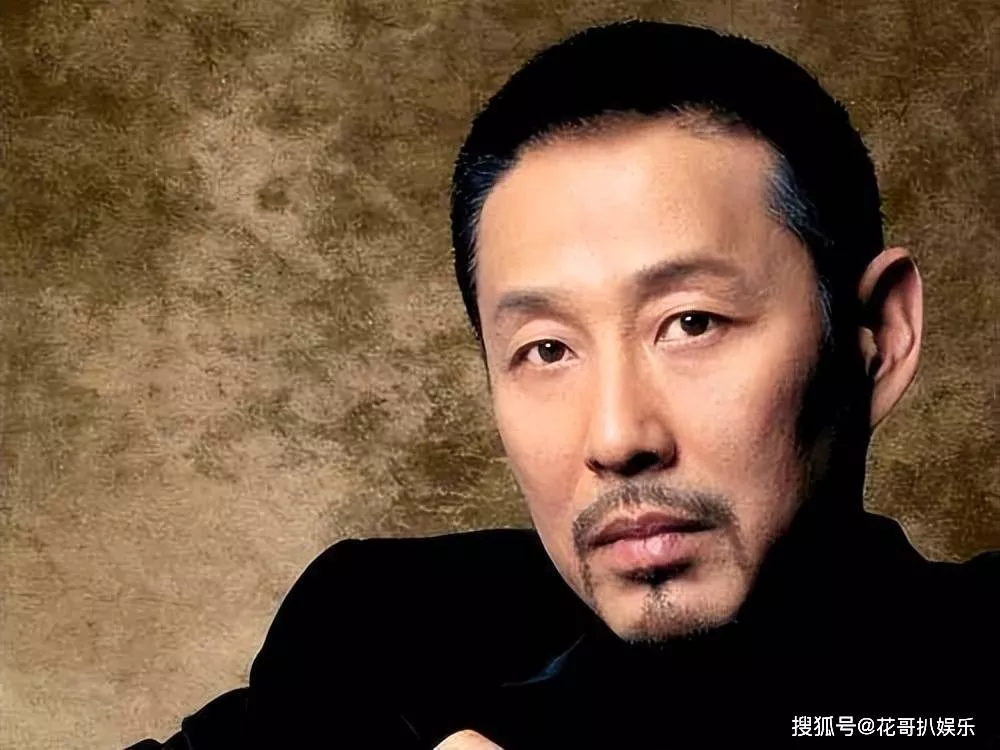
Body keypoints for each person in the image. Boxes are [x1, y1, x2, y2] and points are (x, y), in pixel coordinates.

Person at [128, 21, 999, 749]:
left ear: (880, 337)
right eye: (547, 349)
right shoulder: (382, 643)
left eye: (691, 324)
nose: (616, 437)